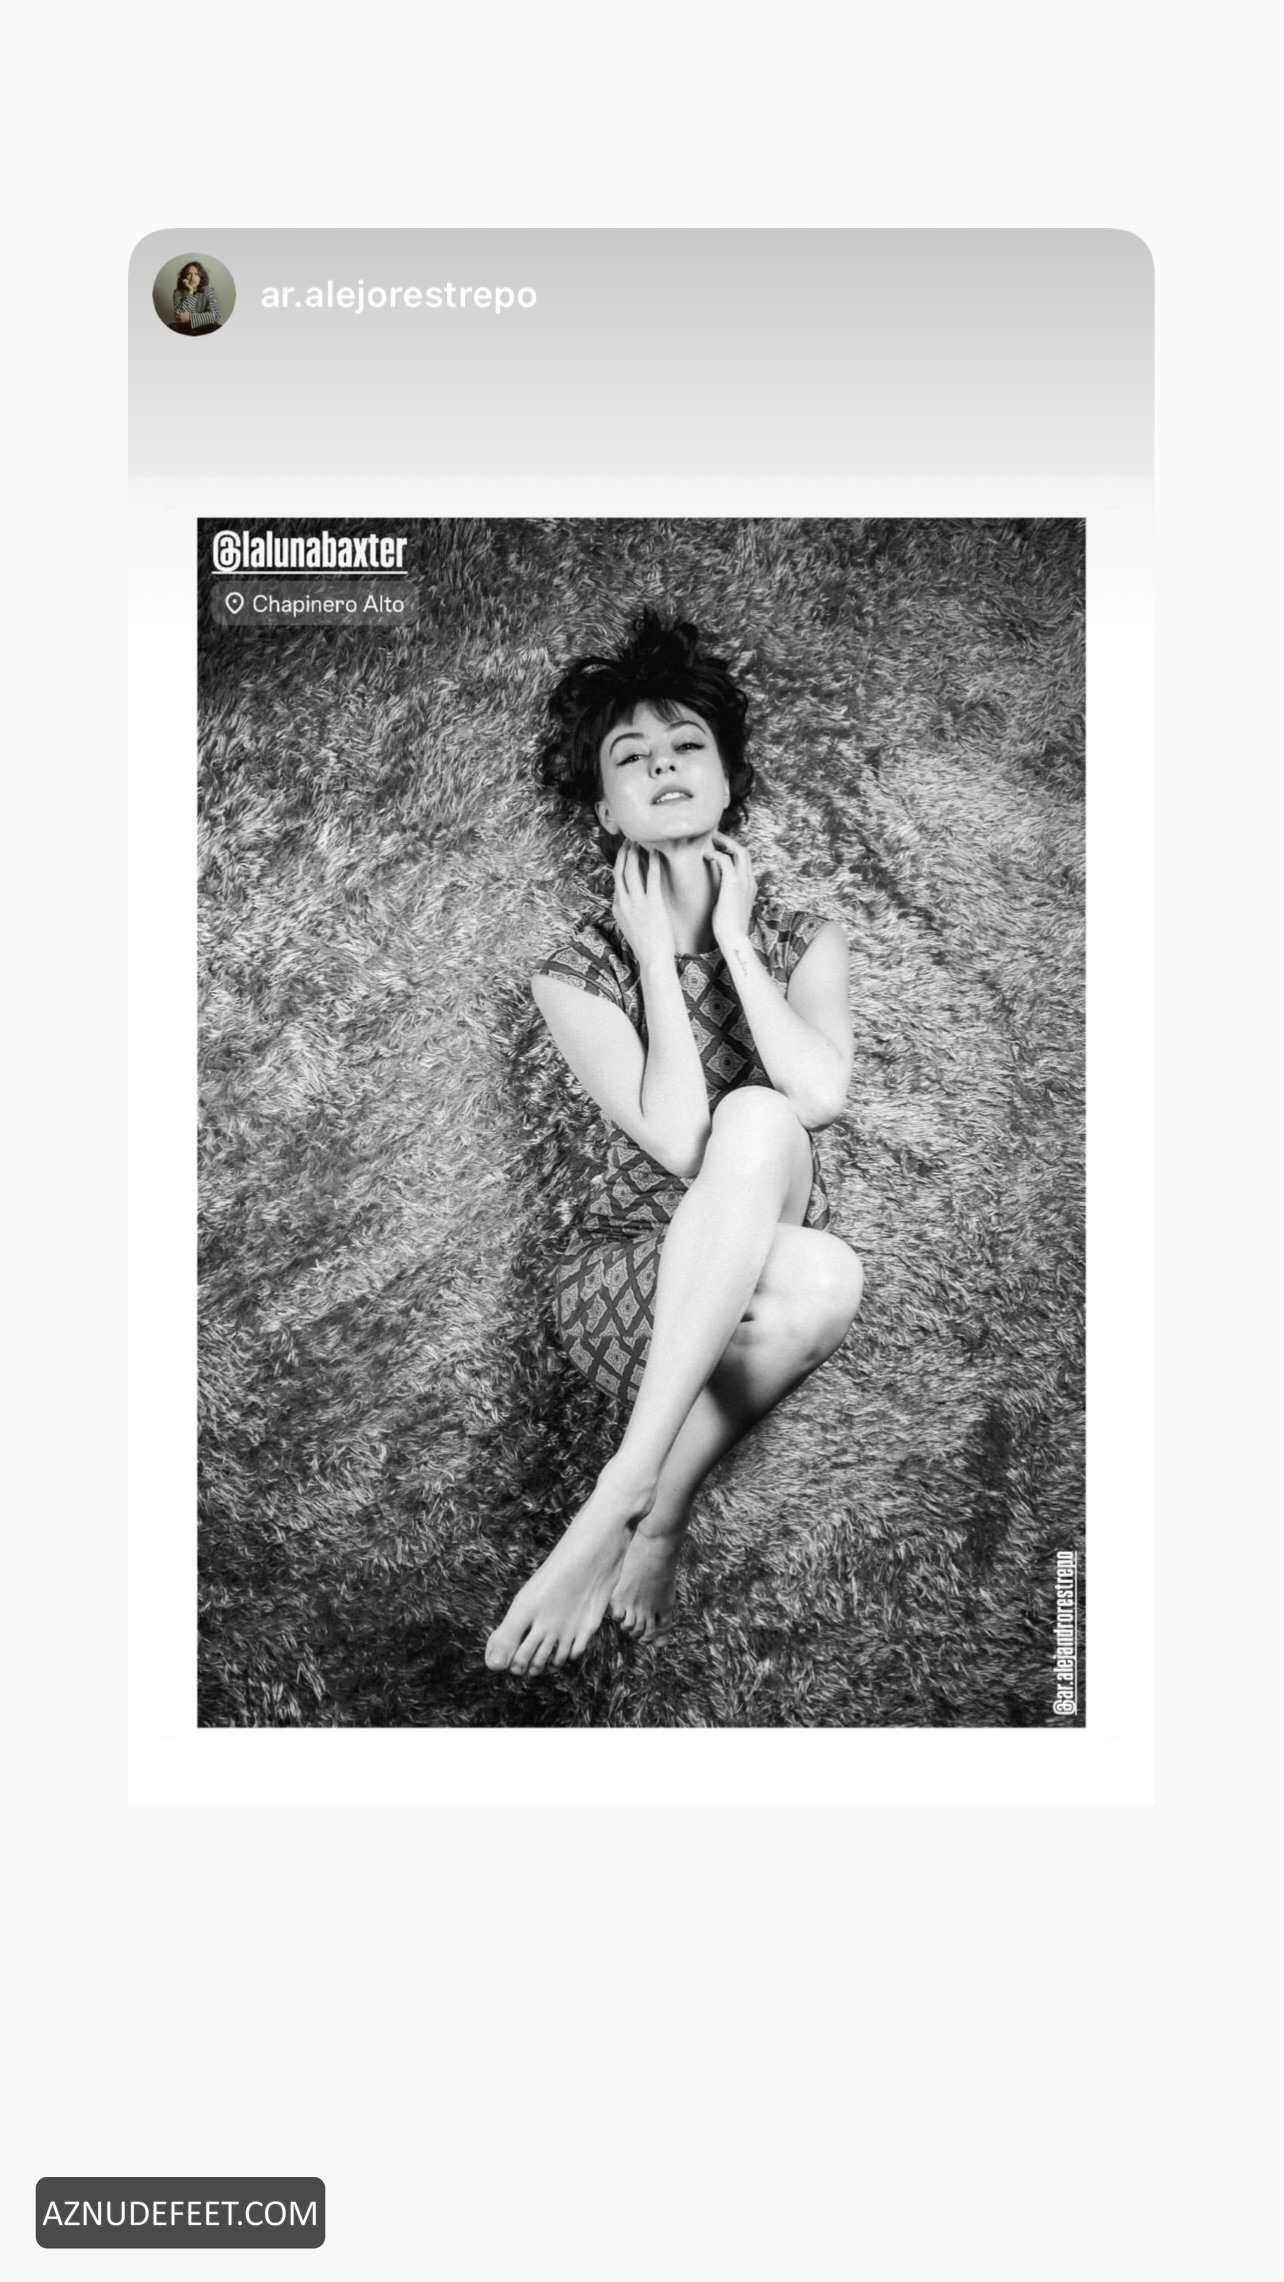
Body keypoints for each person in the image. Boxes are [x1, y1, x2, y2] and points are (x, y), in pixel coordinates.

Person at [485, 609, 864, 1676]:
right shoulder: (574, 970)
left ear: (727, 780)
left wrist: (733, 942)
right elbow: (686, 1140)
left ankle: (634, 1494)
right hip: (634, 1282)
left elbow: (818, 1092)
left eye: (686, 744)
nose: (662, 766)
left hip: (755, 1265)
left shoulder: (802, 938)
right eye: (630, 756)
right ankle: (647, 1504)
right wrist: (656, 958)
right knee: (801, 1227)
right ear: (604, 809)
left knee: (776, 1135)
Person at [171, 261, 221, 334]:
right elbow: (179, 317)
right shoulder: (178, 292)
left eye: (196, 274)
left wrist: (190, 318)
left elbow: (216, 315)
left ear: (201, 276)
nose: (192, 278)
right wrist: (190, 291)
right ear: (184, 277)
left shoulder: (209, 290)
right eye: (189, 274)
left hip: (206, 327)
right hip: (185, 328)